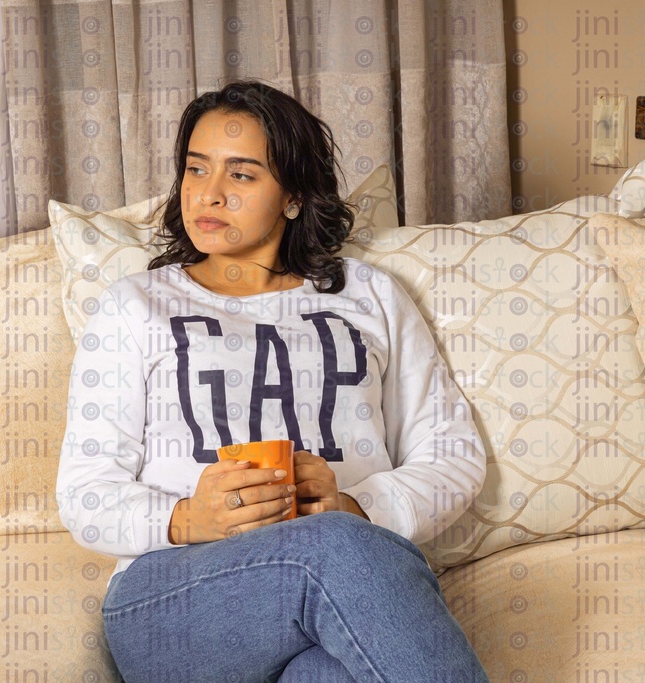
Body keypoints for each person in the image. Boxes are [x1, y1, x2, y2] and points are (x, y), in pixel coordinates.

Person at [57, 80, 490, 682]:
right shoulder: (135, 306)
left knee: (330, 671)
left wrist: (358, 507)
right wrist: (187, 518)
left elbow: (452, 452)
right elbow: (84, 492)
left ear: (292, 195)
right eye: (195, 168)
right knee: (332, 549)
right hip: (172, 600)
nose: (208, 194)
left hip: (343, 577)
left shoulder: (369, 297)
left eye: (241, 175)